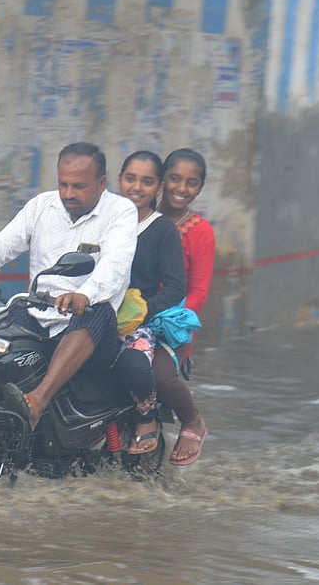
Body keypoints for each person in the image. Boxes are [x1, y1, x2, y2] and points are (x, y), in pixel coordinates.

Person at [0, 142, 137, 430]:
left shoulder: (121, 211)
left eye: (78, 186)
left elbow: (115, 265)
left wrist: (84, 294)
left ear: (101, 183)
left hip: (91, 328)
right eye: (63, 184)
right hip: (37, 315)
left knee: (97, 312)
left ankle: (37, 401)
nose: (68, 194)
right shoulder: (41, 206)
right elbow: (0, 246)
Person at [111, 151, 187, 454]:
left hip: (137, 323)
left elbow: (175, 288)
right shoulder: (105, 222)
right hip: (94, 314)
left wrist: (142, 312)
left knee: (133, 362)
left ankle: (147, 415)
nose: (136, 187)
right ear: (119, 180)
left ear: (158, 188)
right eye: (130, 178)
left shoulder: (162, 230)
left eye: (146, 181)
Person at [156, 148, 215, 465]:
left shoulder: (200, 231)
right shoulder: (138, 215)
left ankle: (192, 420)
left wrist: (167, 320)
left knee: (161, 375)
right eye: (175, 179)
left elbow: (199, 291)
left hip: (173, 323)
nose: (181, 188)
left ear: (200, 188)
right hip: (130, 314)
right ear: (163, 179)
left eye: (191, 183)